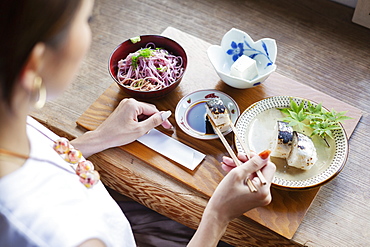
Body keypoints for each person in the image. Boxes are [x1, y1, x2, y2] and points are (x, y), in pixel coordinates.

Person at [0, 0, 276, 246]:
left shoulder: (9, 121)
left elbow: (39, 166)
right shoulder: (67, 236)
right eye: (87, 20)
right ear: (35, 65)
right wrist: (218, 216)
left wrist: (100, 137)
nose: (90, 35)